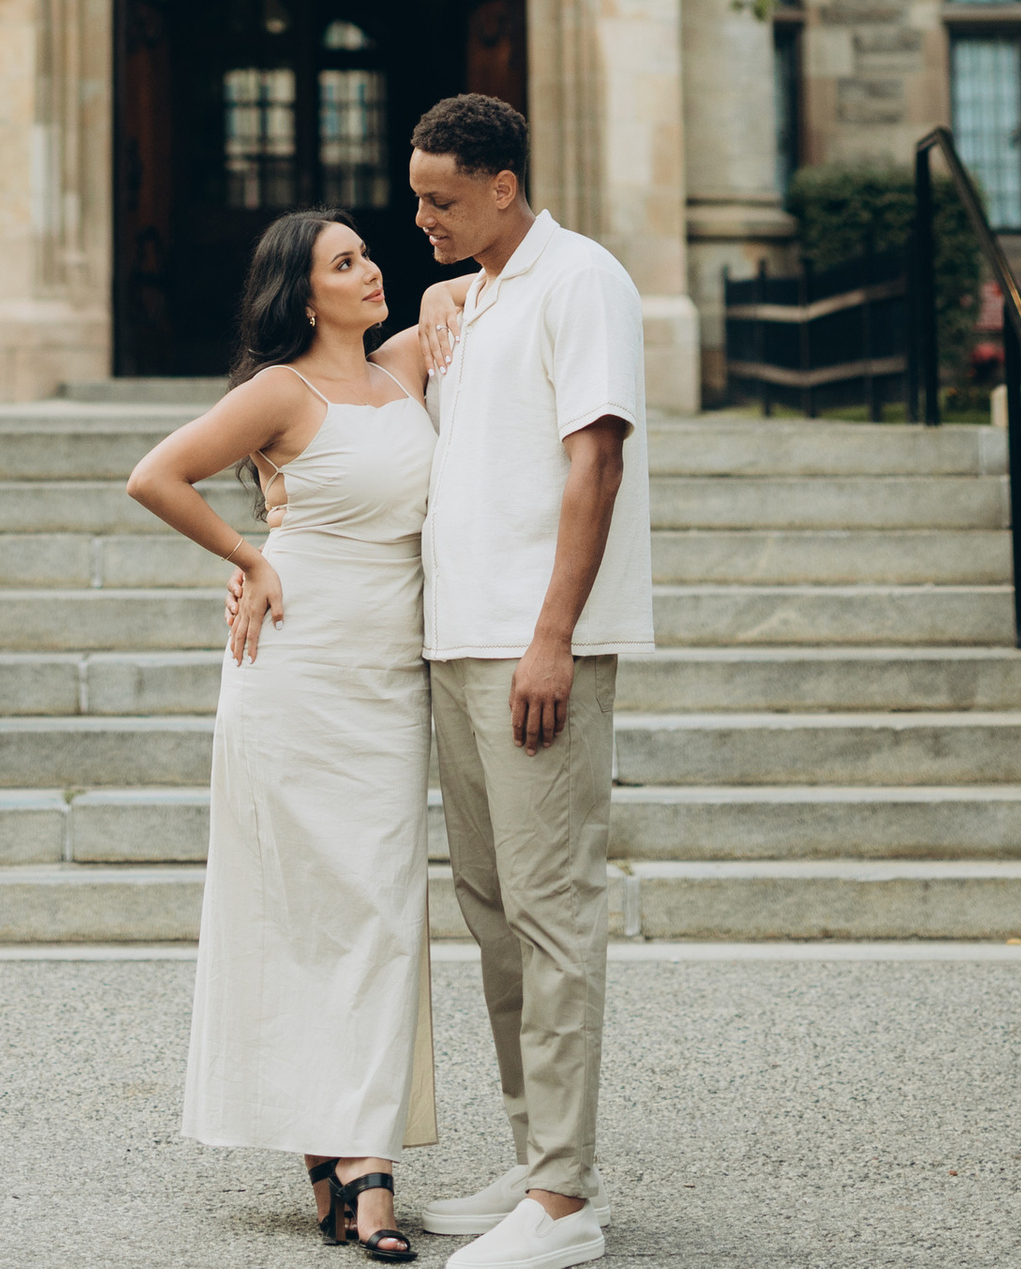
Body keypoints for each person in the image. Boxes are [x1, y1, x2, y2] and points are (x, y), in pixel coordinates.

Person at [126, 210, 440, 1256]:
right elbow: (155, 476)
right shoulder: (277, 390)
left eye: (367, 251)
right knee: (306, 909)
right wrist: (252, 558)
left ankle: (346, 1145)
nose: (370, 267)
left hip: (391, 679)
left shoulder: (406, 366)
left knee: (384, 910)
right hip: (294, 670)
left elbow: (472, 287)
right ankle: (361, 1162)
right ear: (304, 296)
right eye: (343, 262)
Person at [404, 94, 650, 1269]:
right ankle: (532, 1155)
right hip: (457, 638)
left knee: (551, 916)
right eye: (416, 199)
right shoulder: (474, 293)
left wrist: (554, 635)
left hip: (530, 643)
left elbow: (593, 458)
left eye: (440, 200)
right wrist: (437, 295)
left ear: (502, 185)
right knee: (493, 912)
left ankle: (566, 1202)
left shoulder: (581, 278)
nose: (421, 220)